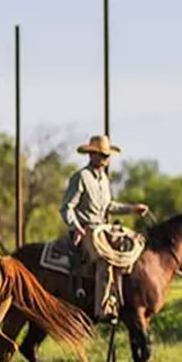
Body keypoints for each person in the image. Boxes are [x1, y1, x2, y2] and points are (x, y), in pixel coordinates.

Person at [60, 134, 151, 319]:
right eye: (100, 155)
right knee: (105, 259)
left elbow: (109, 206)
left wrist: (132, 208)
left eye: (106, 156)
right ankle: (104, 309)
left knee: (129, 248)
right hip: (87, 229)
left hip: (102, 229)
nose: (104, 159)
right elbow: (67, 207)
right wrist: (76, 227)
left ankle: (125, 300)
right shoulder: (81, 177)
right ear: (91, 155)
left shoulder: (103, 180)